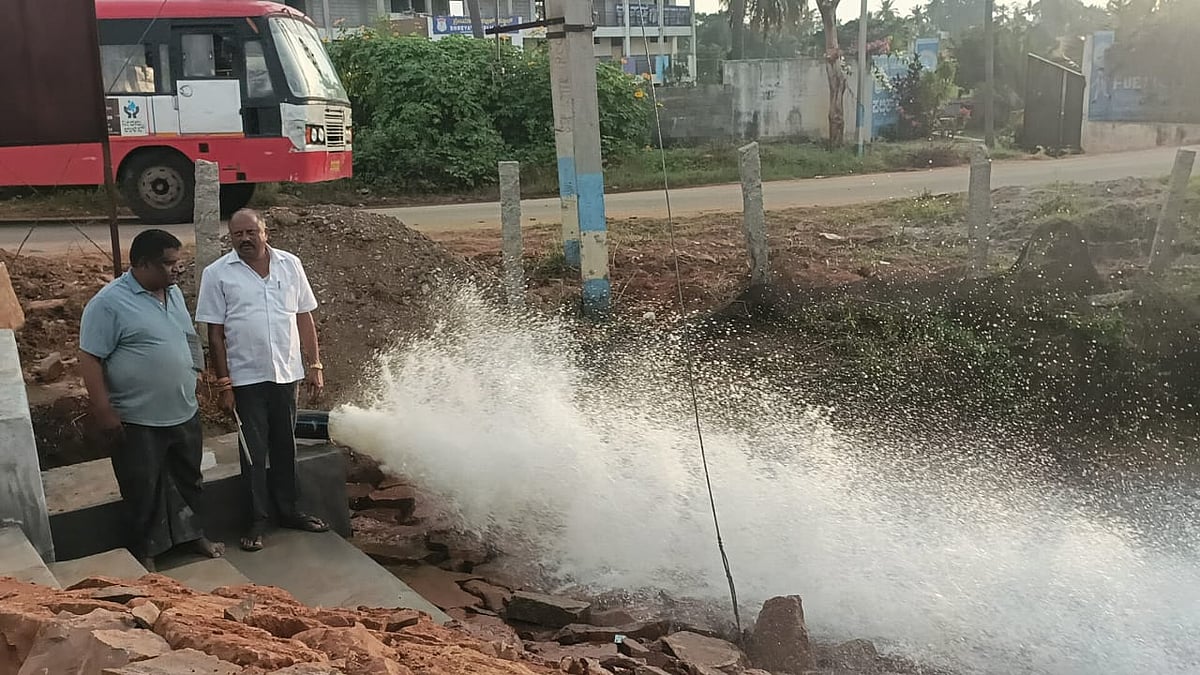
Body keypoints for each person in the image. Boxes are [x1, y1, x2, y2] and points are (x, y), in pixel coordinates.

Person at [78, 229, 224, 570]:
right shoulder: (108, 303)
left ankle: (193, 535)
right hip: (137, 418)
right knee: (142, 486)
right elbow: (90, 358)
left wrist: (198, 375)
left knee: (190, 479)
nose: (177, 270)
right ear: (142, 264)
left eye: (178, 262)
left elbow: (187, 336)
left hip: (182, 410)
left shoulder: (171, 294)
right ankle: (145, 551)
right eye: (168, 263)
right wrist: (103, 410)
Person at [195, 208, 329, 552]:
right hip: (246, 379)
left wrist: (315, 364)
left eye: (250, 233)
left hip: (287, 374)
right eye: (237, 234)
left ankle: (290, 511)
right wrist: (224, 384)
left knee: (286, 446)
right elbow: (215, 335)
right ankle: (257, 519)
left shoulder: (290, 264)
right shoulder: (218, 274)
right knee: (253, 453)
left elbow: (304, 317)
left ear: (264, 232)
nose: (244, 239)